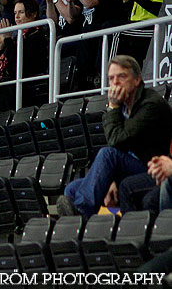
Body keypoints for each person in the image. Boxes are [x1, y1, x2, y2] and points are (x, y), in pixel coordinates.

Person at [58, 56, 172, 218]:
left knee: (107, 154)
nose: (115, 83)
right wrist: (110, 179)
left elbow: (116, 139)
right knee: (72, 190)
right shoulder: (126, 106)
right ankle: (81, 232)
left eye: (122, 77)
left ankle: (83, 212)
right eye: (111, 79)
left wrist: (112, 108)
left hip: (154, 169)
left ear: (137, 80)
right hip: (133, 165)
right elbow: (119, 145)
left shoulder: (150, 105)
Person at [0, 0, 50, 109]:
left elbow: (15, 67)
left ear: (33, 14)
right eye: (15, 13)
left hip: (27, 85)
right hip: (13, 84)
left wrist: (8, 39)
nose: (16, 17)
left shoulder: (37, 36)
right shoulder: (18, 37)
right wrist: (0, 45)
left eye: (21, 12)